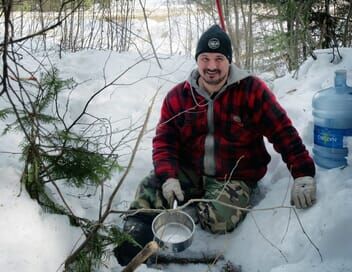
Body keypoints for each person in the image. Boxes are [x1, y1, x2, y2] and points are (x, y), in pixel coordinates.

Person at [114, 24, 316, 265]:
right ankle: (136, 234)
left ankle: (190, 213)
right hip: (191, 170)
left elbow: (283, 131)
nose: (211, 66)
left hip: (234, 176)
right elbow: (164, 141)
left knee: (219, 219)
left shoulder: (252, 91)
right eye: (205, 58)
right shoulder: (178, 97)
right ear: (197, 60)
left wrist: (303, 172)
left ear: (228, 60)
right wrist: (169, 177)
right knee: (151, 184)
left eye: (219, 59)